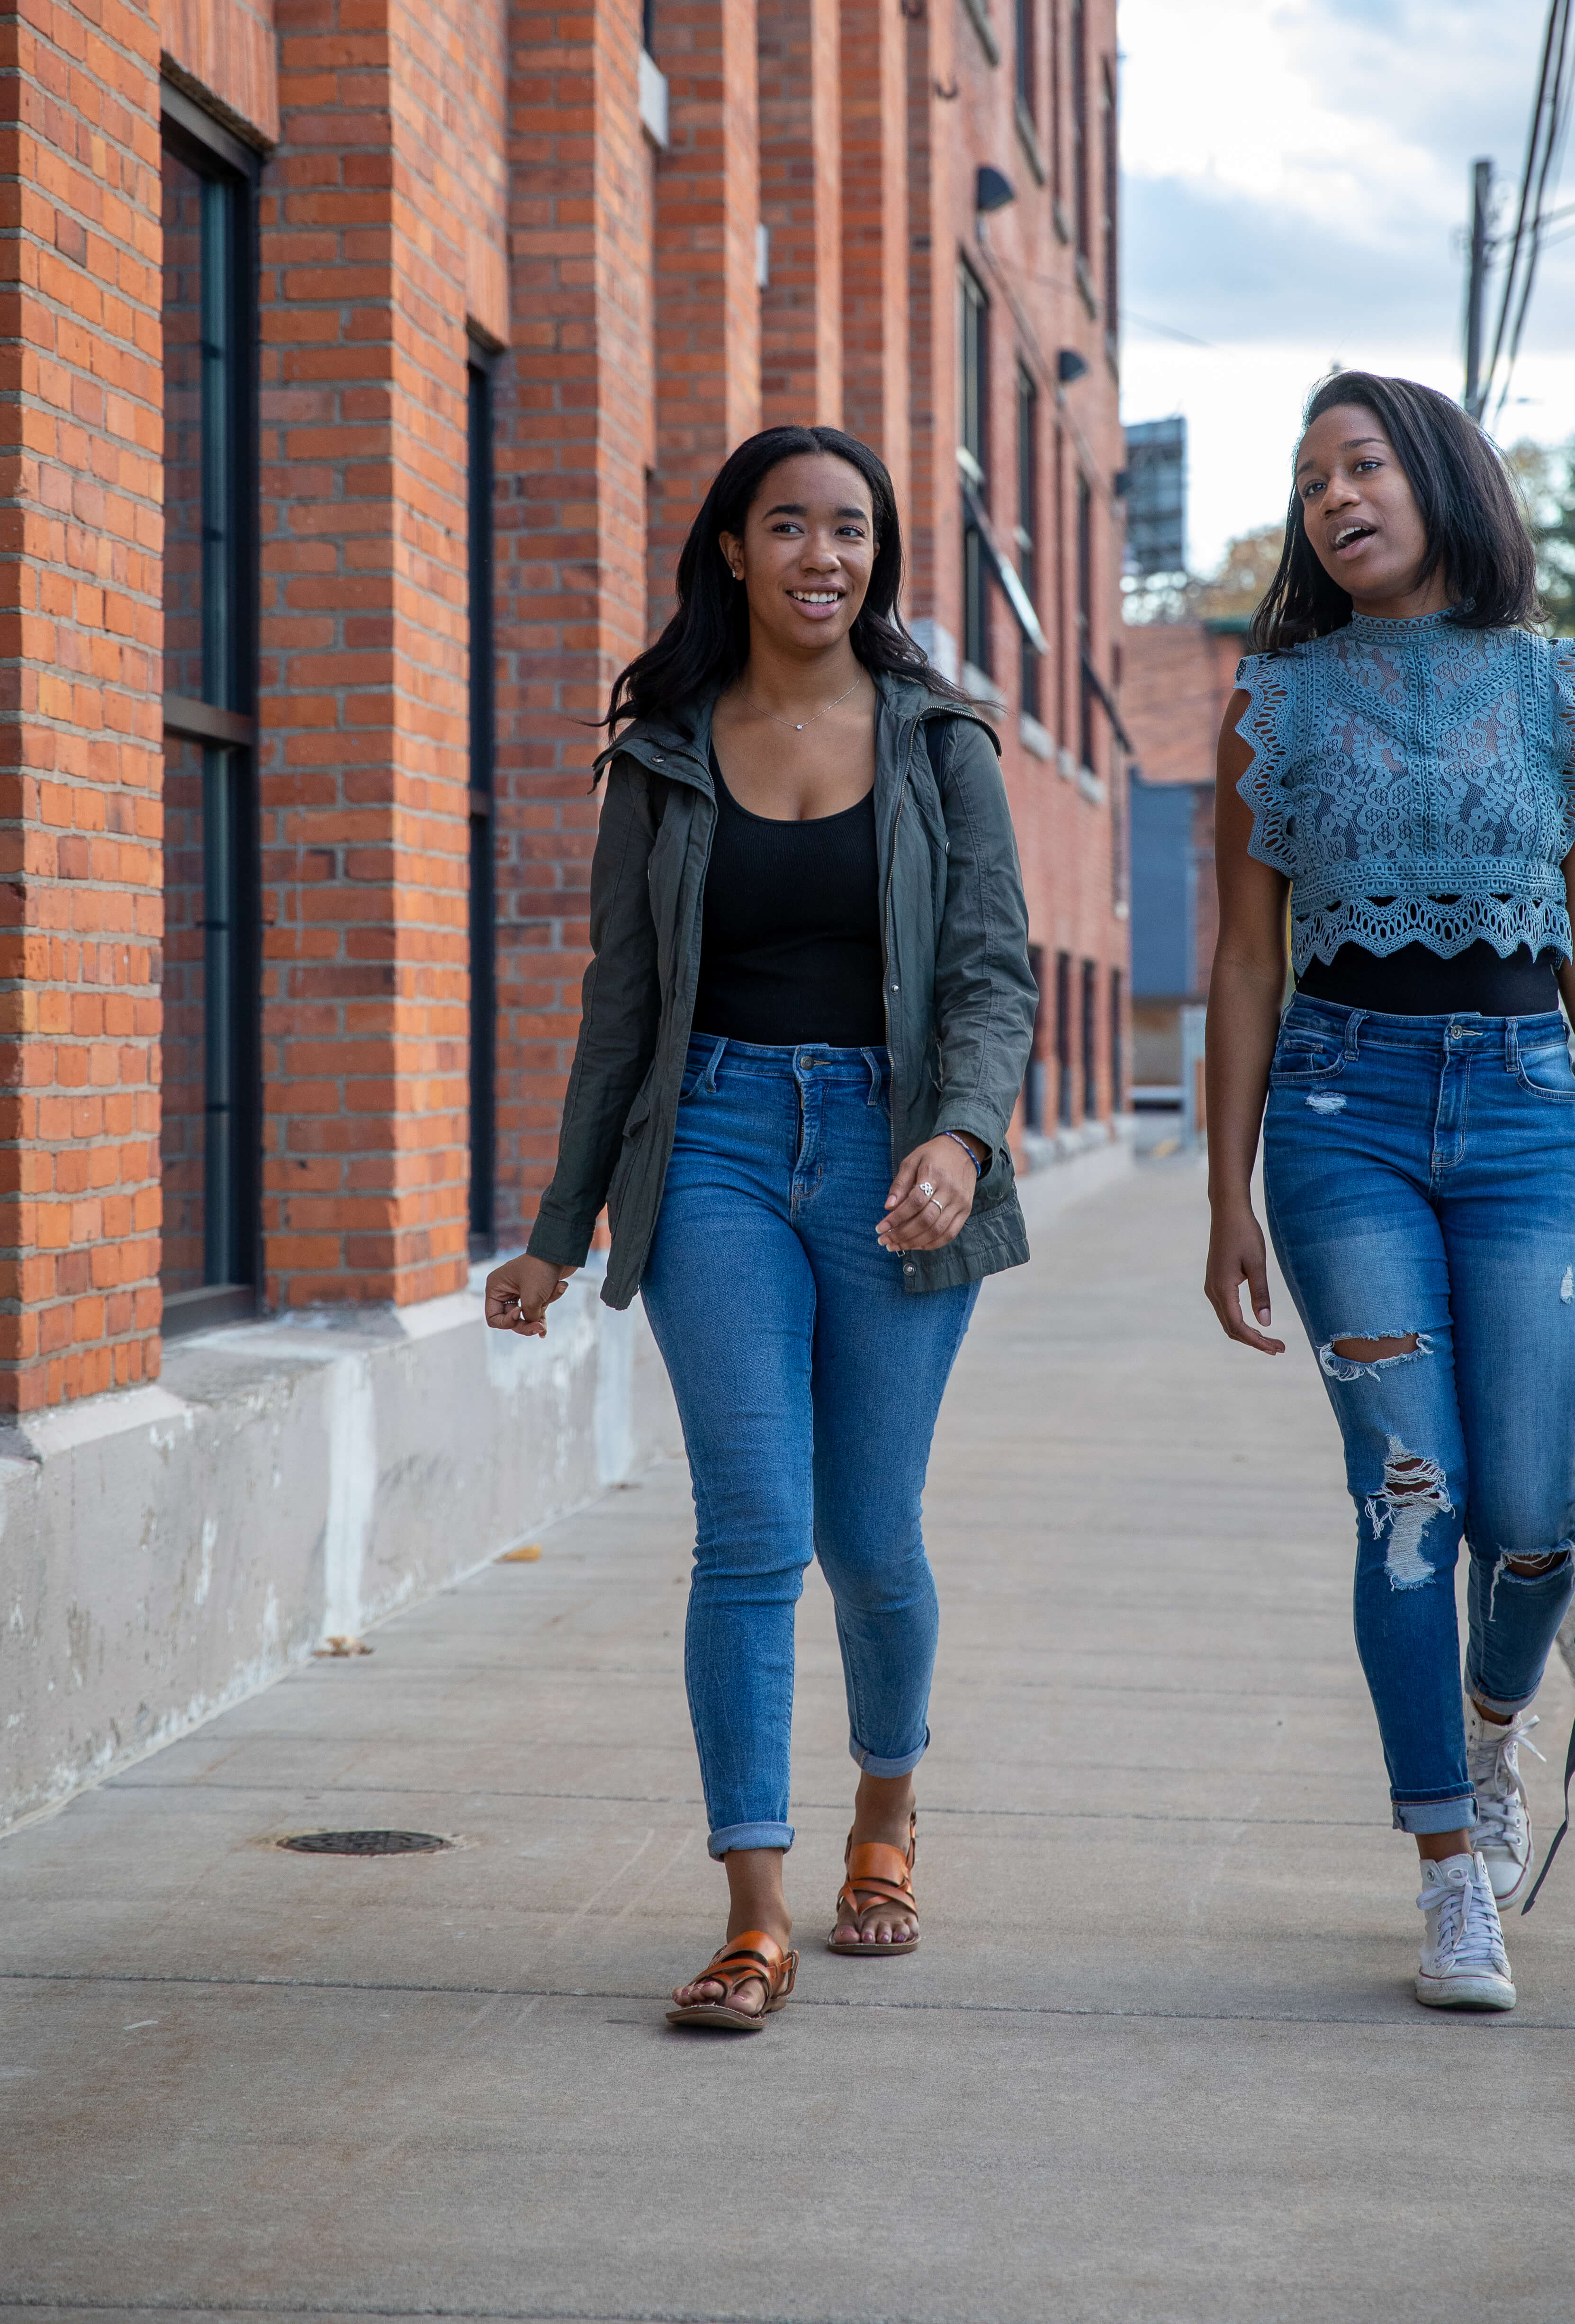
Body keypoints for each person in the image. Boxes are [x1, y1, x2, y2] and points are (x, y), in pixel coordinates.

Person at [1203, 372, 1575, 2013]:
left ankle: (1492, 1734)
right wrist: (1226, 1198)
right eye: (1310, 481)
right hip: (1340, 1121)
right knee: (1411, 1498)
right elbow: (1247, 962)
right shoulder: (1276, 703)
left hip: (1518, 1126)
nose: (1333, 499)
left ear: (1440, 478)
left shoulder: (1557, 692)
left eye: (1361, 465)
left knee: (1529, 1527)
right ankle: (1449, 1872)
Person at [486, 425, 1037, 2034]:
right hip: (714, 1144)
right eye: (789, 525)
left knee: (868, 1539)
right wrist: (559, 1228)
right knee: (750, 1528)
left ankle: (887, 1818)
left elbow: (993, 973)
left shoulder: (942, 742)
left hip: (892, 1148)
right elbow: (621, 1005)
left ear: (879, 556)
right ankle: (753, 1915)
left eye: (850, 529)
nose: (823, 556)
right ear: (732, 547)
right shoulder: (664, 753)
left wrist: (961, 1135)